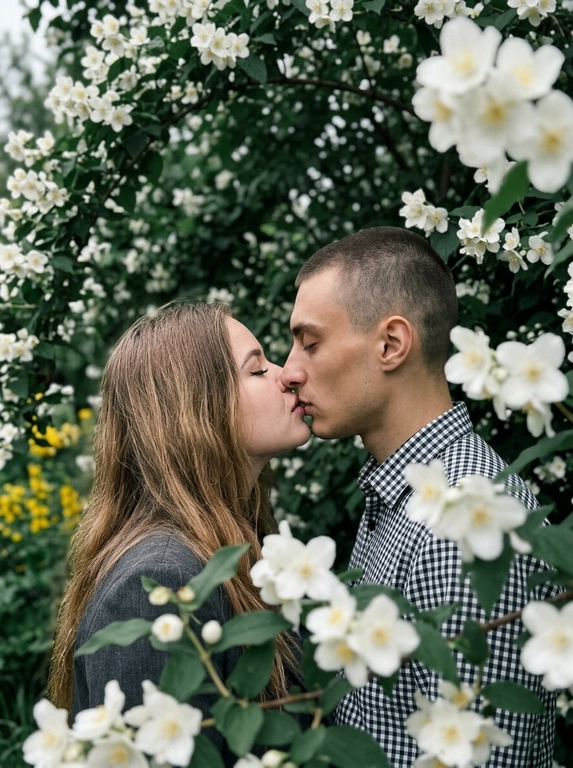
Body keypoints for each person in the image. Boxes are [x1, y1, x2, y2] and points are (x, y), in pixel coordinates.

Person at [280, 226, 557, 767]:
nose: (290, 370)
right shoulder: (402, 497)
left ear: (391, 344)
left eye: (310, 343)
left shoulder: (459, 527)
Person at [49, 300, 310, 759]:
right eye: (256, 370)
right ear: (197, 408)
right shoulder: (162, 581)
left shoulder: (230, 545)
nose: (285, 375)